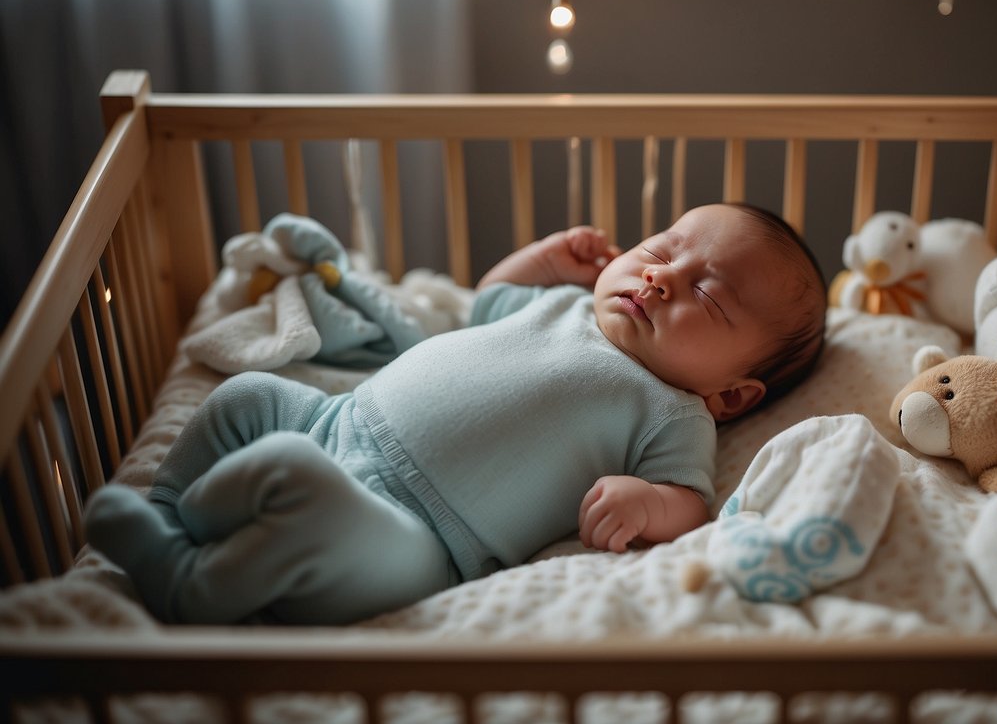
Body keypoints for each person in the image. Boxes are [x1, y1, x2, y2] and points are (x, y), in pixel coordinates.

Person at [84, 203, 826, 625]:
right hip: (337, 418)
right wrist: (545, 257)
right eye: (661, 249)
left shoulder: (674, 412)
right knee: (246, 398)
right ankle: (170, 512)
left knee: (295, 483)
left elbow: (692, 505)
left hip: (416, 537)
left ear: (731, 395)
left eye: (707, 295)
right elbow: (488, 300)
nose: (662, 277)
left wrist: (648, 503)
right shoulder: (566, 305)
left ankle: (188, 585)